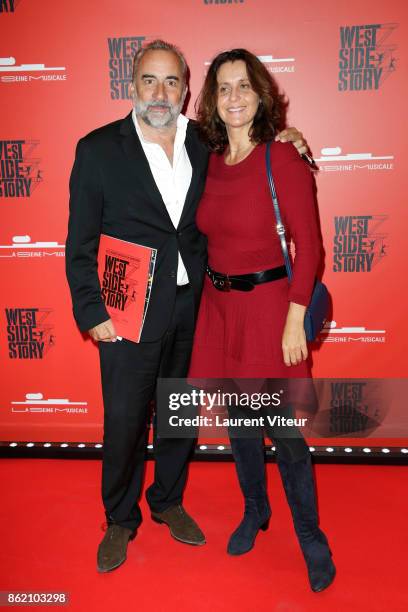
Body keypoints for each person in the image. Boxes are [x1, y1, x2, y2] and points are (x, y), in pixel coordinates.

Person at [65, 39, 307, 574]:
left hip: (194, 308)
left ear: (185, 89)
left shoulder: (204, 143)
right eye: (149, 80)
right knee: (126, 421)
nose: (160, 92)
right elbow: (79, 243)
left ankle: (168, 501)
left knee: (178, 416)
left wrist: (287, 137)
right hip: (125, 313)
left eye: (171, 81)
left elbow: (253, 155)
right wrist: (92, 312)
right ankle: (120, 518)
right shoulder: (98, 149)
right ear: (132, 84)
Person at [188, 49, 336, 592]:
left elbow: (311, 246)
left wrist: (296, 319)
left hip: (272, 311)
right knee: (240, 427)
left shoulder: (283, 157)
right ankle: (255, 511)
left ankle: (311, 537)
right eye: (222, 88)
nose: (232, 98)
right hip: (218, 310)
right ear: (211, 100)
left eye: (243, 87)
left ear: (260, 94)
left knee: (285, 436)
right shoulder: (205, 159)